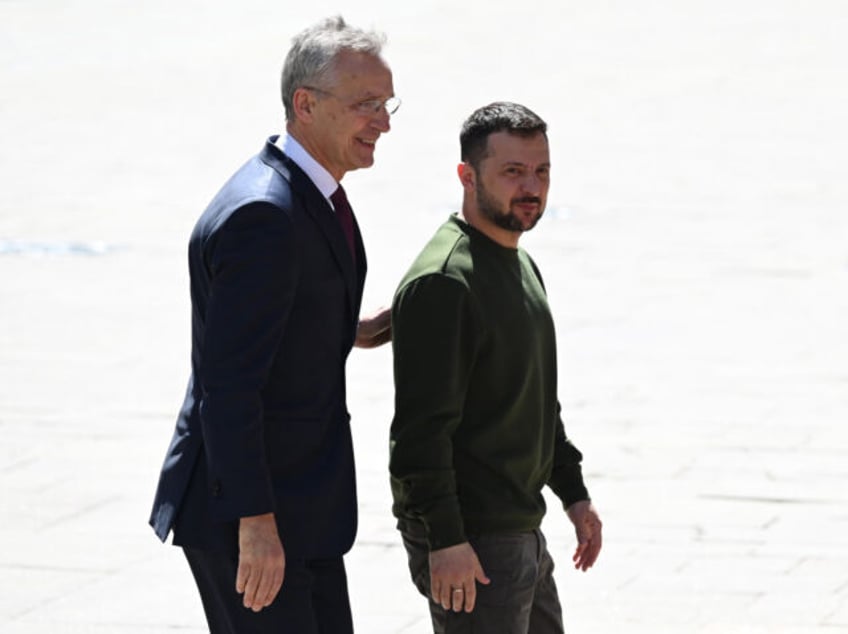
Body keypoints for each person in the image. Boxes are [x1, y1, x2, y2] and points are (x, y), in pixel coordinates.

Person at [148, 15, 396, 634]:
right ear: (306, 104)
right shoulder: (265, 216)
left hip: (301, 504)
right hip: (254, 515)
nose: (384, 122)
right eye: (367, 104)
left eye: (389, 104)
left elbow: (273, 322)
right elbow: (226, 387)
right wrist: (254, 524)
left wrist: (352, 328)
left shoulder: (314, 191)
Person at [389, 101, 602, 633]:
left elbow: (534, 398)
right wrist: (446, 541)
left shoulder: (520, 263)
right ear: (467, 175)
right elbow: (419, 437)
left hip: (519, 526)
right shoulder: (445, 283)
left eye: (541, 171)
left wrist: (573, 494)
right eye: (512, 171)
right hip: (475, 538)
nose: (531, 187)